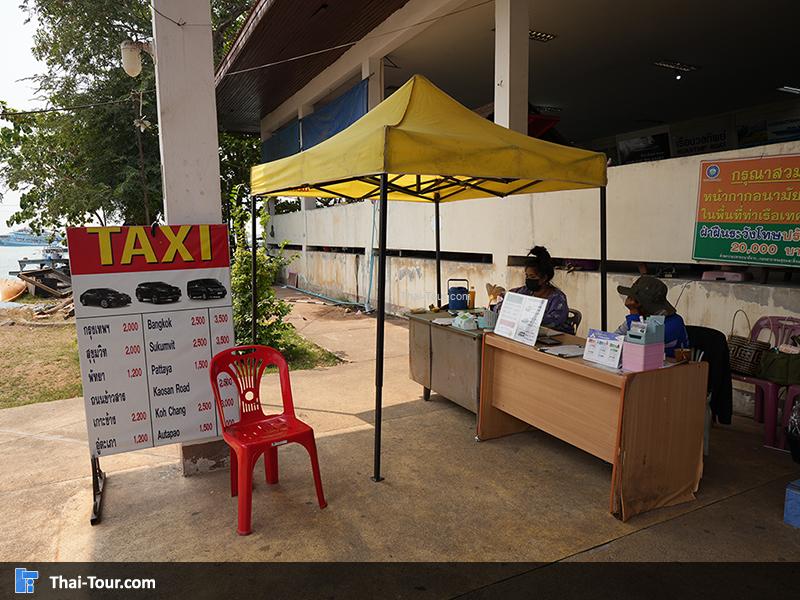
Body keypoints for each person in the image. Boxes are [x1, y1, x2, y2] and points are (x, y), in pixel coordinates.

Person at [489, 246, 571, 333]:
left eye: (532, 277)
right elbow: (503, 300)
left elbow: (553, 322)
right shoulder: (525, 291)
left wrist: (523, 316)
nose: (528, 279)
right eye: (527, 276)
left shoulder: (557, 298)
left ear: (544, 278)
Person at [615, 275, 689, 357]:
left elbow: (639, 343)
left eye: (632, 299)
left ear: (639, 303)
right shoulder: (641, 316)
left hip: (673, 368)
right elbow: (616, 338)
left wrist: (633, 312)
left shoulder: (674, 322)